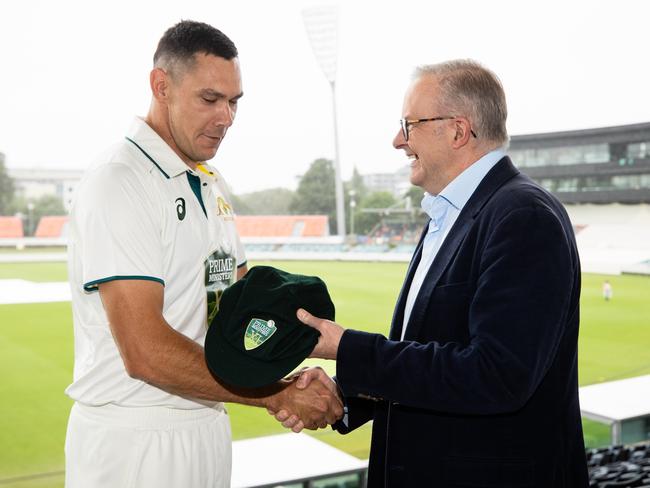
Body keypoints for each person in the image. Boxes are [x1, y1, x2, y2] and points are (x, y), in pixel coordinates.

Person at [279, 60, 589, 487]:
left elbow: (497, 375)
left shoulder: (522, 216)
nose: (397, 141)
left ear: (458, 131)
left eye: (409, 125)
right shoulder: (452, 214)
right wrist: (345, 397)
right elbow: (433, 354)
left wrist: (348, 348)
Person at [64, 20, 342, 488]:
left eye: (234, 103)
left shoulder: (211, 183)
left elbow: (238, 313)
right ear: (162, 87)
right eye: (210, 99)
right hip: (135, 439)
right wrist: (277, 395)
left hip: (207, 423)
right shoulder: (120, 180)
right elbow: (145, 352)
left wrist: (296, 368)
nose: (226, 117)